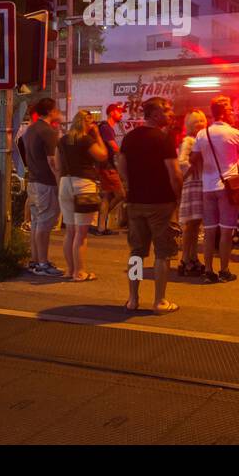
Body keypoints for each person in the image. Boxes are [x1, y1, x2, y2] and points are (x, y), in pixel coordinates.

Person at [116, 97, 182, 314]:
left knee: (136, 253)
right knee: (163, 254)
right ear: (155, 114)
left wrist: (130, 187)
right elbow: (174, 174)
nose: (170, 114)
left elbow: (121, 166)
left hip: (136, 202)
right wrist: (177, 198)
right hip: (160, 203)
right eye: (167, 110)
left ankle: (133, 298)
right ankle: (160, 301)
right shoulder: (163, 140)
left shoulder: (129, 138)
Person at [191, 96, 239, 283]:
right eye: (230, 109)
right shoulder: (234, 133)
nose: (233, 112)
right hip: (227, 187)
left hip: (208, 188)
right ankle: (224, 270)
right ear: (223, 112)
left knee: (209, 232)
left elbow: (193, 158)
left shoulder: (202, 134)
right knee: (226, 232)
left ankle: (208, 270)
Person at [56, 111, 108, 282]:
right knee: (81, 233)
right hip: (83, 184)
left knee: (69, 231)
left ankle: (70, 270)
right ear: (87, 122)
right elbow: (102, 155)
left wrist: (61, 184)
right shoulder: (86, 139)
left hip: (65, 183)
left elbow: (57, 165)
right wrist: (98, 135)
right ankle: (80, 272)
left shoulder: (62, 140)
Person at [20, 98, 65, 278]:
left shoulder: (30, 130)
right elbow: (53, 161)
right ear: (52, 111)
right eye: (57, 110)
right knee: (45, 224)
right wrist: (60, 183)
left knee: (37, 222)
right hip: (46, 182)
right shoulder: (48, 132)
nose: (59, 113)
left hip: (33, 180)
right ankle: (43, 263)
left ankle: (35, 260)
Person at [176, 110, 207, 276]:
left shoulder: (199, 140)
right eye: (197, 122)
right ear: (189, 125)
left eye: (202, 121)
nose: (201, 124)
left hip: (200, 185)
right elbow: (181, 162)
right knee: (190, 225)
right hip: (193, 185)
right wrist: (192, 170)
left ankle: (192, 256)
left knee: (195, 225)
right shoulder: (189, 141)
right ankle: (186, 258)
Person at [94, 102, 126, 236]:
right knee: (121, 194)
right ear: (112, 112)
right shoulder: (106, 128)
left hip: (104, 166)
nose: (121, 114)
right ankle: (101, 221)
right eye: (119, 112)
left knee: (107, 196)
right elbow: (114, 147)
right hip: (107, 167)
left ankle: (101, 226)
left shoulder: (107, 128)